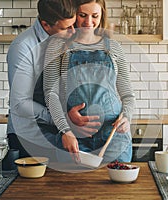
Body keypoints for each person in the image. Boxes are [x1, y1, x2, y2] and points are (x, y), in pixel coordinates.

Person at [6, 0, 101, 161]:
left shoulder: (62, 39)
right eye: (65, 28)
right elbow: (20, 103)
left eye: (73, 25)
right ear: (45, 25)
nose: (73, 31)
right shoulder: (23, 47)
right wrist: (63, 120)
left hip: (60, 132)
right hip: (30, 136)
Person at [43, 0, 135, 163]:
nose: (88, 22)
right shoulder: (58, 46)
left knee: (116, 186)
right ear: (74, 15)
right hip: (75, 136)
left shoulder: (113, 47)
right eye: (82, 15)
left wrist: (126, 117)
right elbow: (51, 94)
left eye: (95, 16)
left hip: (113, 136)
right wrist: (65, 130)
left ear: (102, 16)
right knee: (75, 186)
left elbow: (127, 95)